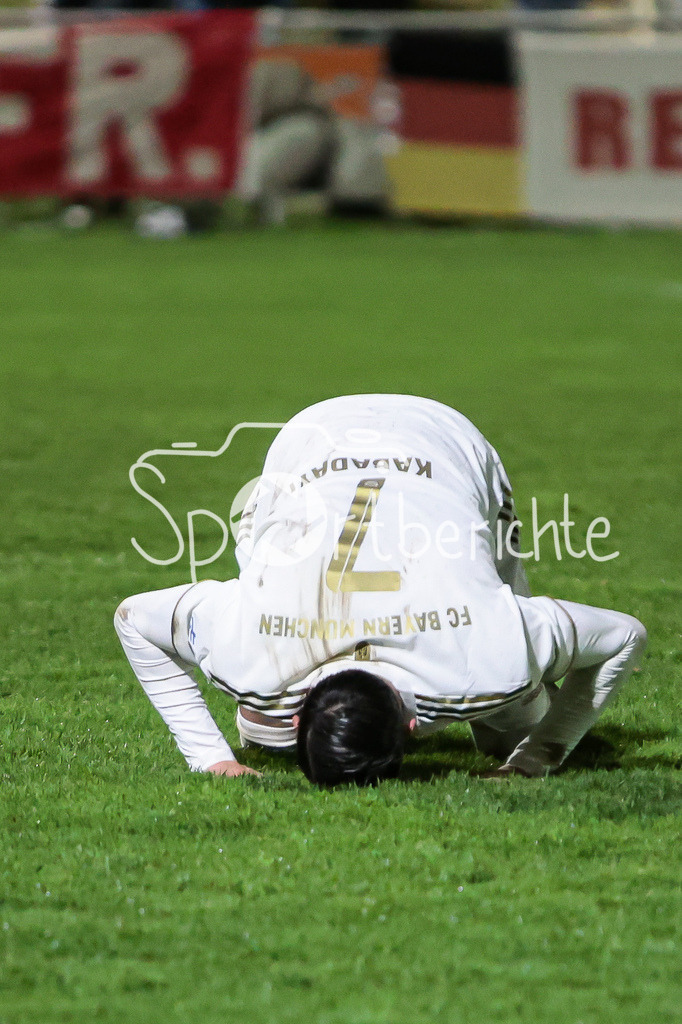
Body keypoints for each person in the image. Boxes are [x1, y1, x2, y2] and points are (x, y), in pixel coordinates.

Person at [114, 395, 647, 785]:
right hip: (316, 443)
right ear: (412, 726)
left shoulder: (492, 651)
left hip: (438, 441)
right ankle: (514, 714)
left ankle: (513, 714)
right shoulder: (248, 650)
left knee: (509, 718)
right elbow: (625, 634)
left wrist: (212, 758)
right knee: (509, 712)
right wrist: (536, 754)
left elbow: (131, 619)